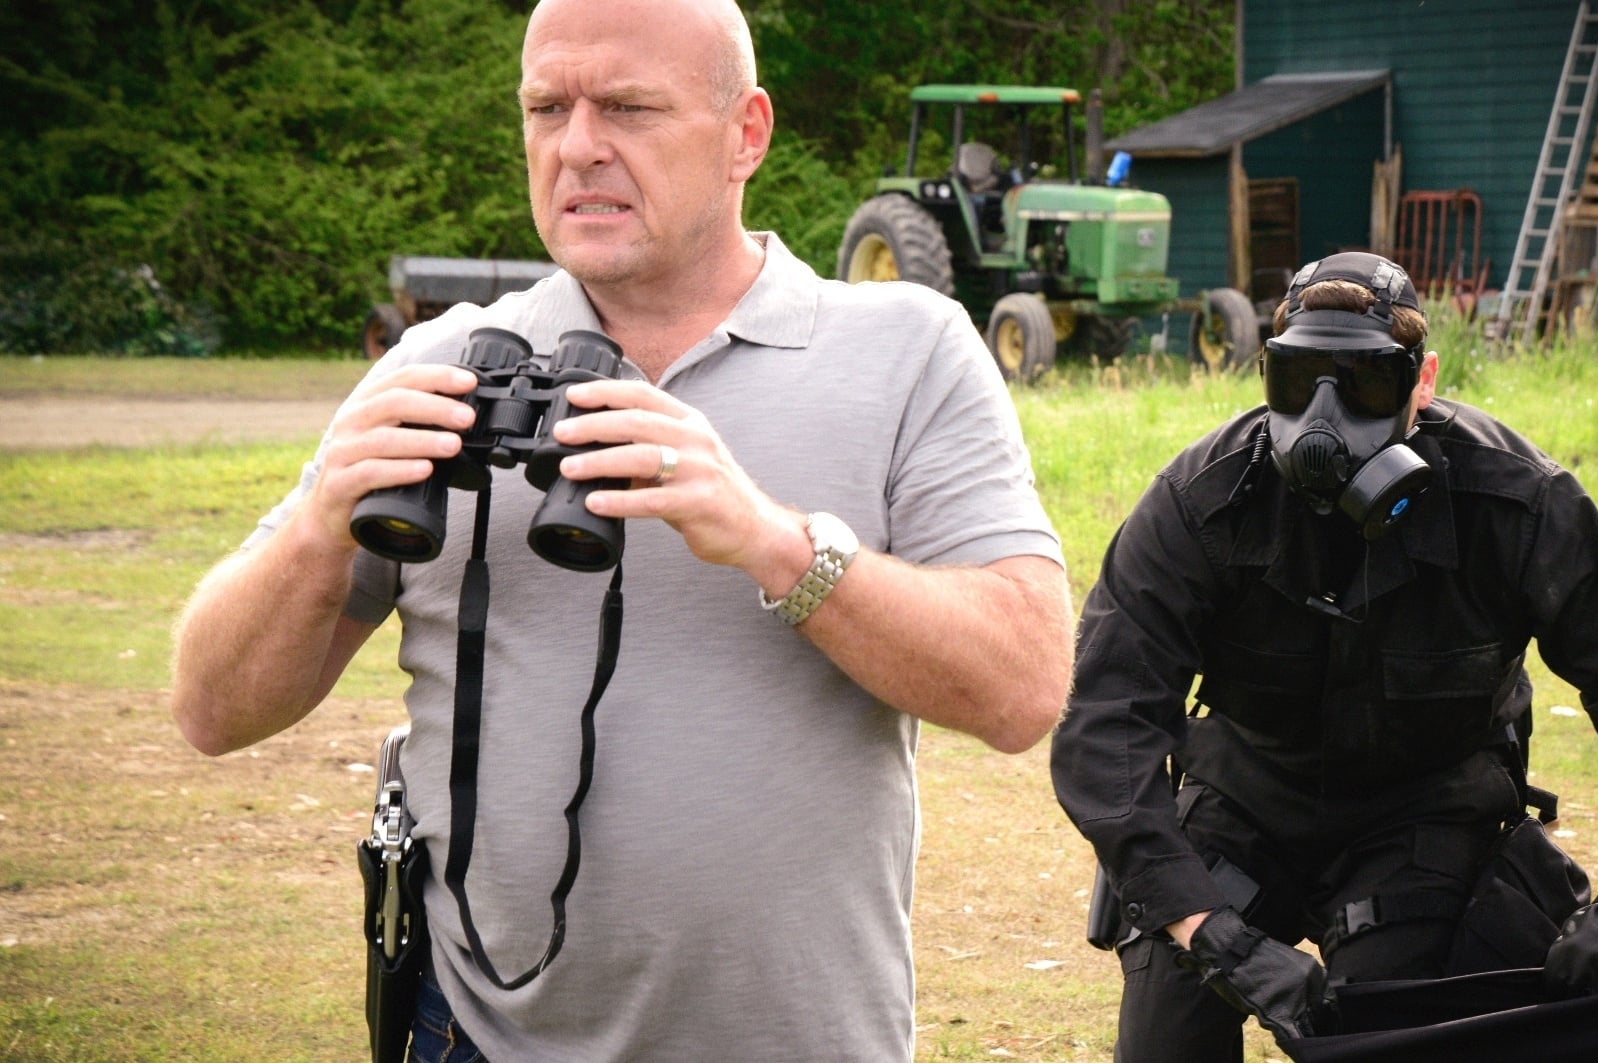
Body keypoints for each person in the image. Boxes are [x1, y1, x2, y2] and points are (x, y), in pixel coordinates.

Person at [168, 0, 1075, 1058]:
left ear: (746, 134)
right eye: (546, 108)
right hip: (476, 1032)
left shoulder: (906, 350)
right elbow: (212, 710)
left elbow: (1022, 687)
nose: (578, 145)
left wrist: (776, 544)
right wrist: (320, 528)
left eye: (630, 108)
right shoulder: (442, 366)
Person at [1049, 251, 1598, 1059]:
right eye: (1297, 380)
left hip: (1424, 811)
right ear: (1265, 374)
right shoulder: (1202, 503)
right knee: (1169, 1024)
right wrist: (1209, 931)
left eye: (1366, 381)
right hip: (1245, 798)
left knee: (1394, 1026)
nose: (1326, 417)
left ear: (1423, 380)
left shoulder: (1514, 500)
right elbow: (1106, 724)